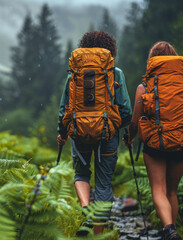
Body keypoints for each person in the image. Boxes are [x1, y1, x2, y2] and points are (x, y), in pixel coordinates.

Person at [57, 30, 132, 236]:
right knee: (103, 184)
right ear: (111, 50)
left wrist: (62, 132)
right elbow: (126, 109)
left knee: (81, 174)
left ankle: (86, 211)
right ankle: (99, 234)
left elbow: (65, 107)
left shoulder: (74, 74)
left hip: (79, 133)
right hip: (108, 134)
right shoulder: (116, 73)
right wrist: (118, 128)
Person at [123, 41, 183, 240]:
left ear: (152, 61)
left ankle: (169, 230)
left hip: (155, 144)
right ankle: (171, 232)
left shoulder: (144, 86)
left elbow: (135, 121)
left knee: (159, 189)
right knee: (172, 191)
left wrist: (129, 138)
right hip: (182, 142)